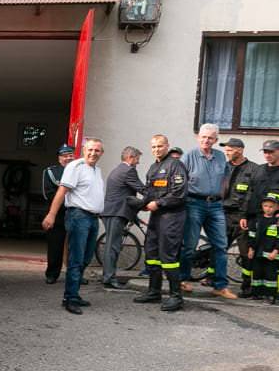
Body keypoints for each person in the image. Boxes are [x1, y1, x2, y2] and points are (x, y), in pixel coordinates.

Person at [42, 138, 106, 315]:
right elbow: (62, 191)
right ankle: (69, 298)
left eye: (97, 151)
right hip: (79, 216)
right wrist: (52, 214)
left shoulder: (97, 170)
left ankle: (74, 294)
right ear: (84, 149)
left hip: (92, 218)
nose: (93, 153)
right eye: (90, 150)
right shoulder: (75, 167)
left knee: (85, 258)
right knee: (76, 259)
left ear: (102, 153)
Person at [178, 124, 237, 299]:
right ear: (198, 137)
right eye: (203, 137)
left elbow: (225, 178)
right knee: (190, 245)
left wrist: (220, 195)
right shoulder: (189, 156)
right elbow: (180, 181)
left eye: (210, 138)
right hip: (194, 203)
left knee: (221, 245)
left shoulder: (220, 156)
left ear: (216, 140)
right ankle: (183, 279)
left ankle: (220, 285)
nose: (206, 140)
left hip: (216, 206)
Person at [133, 135, 188, 311]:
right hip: (156, 218)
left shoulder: (175, 165)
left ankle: (176, 296)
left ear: (167, 146)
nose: (157, 149)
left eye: (160, 146)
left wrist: (158, 203)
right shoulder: (153, 167)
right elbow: (150, 193)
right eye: (154, 147)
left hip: (172, 217)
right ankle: (154, 291)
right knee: (152, 254)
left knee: (168, 257)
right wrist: (140, 205)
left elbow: (179, 193)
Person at [101, 147, 146, 289]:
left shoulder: (117, 170)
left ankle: (108, 276)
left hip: (112, 212)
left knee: (111, 246)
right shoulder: (128, 171)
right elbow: (142, 189)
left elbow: (125, 196)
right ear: (130, 157)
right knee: (113, 247)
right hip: (117, 213)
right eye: (137, 159)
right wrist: (158, 196)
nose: (138, 162)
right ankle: (109, 278)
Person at [219, 138, 259, 297]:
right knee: (220, 249)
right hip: (223, 214)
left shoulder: (254, 169)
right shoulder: (223, 167)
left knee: (245, 254)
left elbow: (253, 195)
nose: (226, 152)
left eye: (230, 149)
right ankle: (215, 280)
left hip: (243, 218)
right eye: (226, 149)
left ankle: (247, 286)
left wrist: (245, 215)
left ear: (240, 150)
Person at [41, 144, 75, 284]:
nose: (68, 158)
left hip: (75, 212)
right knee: (55, 244)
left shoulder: (79, 170)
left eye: (70, 155)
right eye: (65, 155)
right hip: (59, 212)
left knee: (76, 245)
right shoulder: (50, 172)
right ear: (59, 158)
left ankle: (75, 274)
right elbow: (47, 193)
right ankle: (52, 274)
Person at [242, 140, 279, 249]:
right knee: (252, 249)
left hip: (274, 219)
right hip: (255, 217)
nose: (267, 155)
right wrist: (244, 215)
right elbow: (250, 193)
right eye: (265, 152)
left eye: (271, 152)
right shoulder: (259, 169)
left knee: (271, 252)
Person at [246, 194, 279, 304]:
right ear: (262, 206)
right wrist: (251, 249)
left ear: (276, 208)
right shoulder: (256, 221)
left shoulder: (276, 222)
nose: (268, 208)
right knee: (257, 274)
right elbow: (251, 235)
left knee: (270, 276)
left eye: (271, 206)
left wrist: (275, 251)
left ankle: (270, 296)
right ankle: (257, 293)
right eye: (265, 206)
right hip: (257, 253)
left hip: (271, 255)